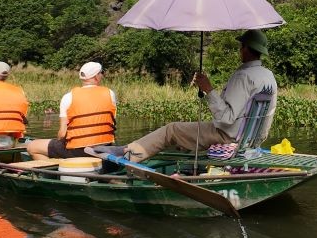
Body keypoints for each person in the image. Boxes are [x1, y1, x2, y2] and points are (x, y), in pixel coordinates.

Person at [118, 29, 277, 163]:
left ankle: (129, 155)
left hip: (228, 137)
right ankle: (136, 149)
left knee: (171, 130)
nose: (240, 50)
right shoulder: (268, 76)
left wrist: (208, 89)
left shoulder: (243, 76)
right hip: (251, 140)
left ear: (246, 49)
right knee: (186, 133)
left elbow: (226, 118)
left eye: (241, 47)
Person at [24, 62, 117, 160]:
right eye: (101, 72)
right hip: (105, 148)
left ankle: (50, 174)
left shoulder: (68, 97)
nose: (102, 75)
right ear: (96, 77)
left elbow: (62, 134)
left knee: (32, 147)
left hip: (78, 151)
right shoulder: (110, 94)